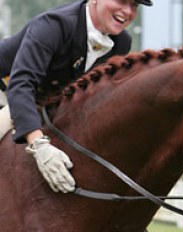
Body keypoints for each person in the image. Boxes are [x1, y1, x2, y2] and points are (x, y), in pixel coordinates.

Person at [0, 0, 152, 193]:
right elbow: (21, 85)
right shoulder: (54, 25)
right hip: (8, 88)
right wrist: (38, 145)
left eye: (134, 6)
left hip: (44, 101)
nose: (127, 12)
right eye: (121, 1)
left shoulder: (121, 42)